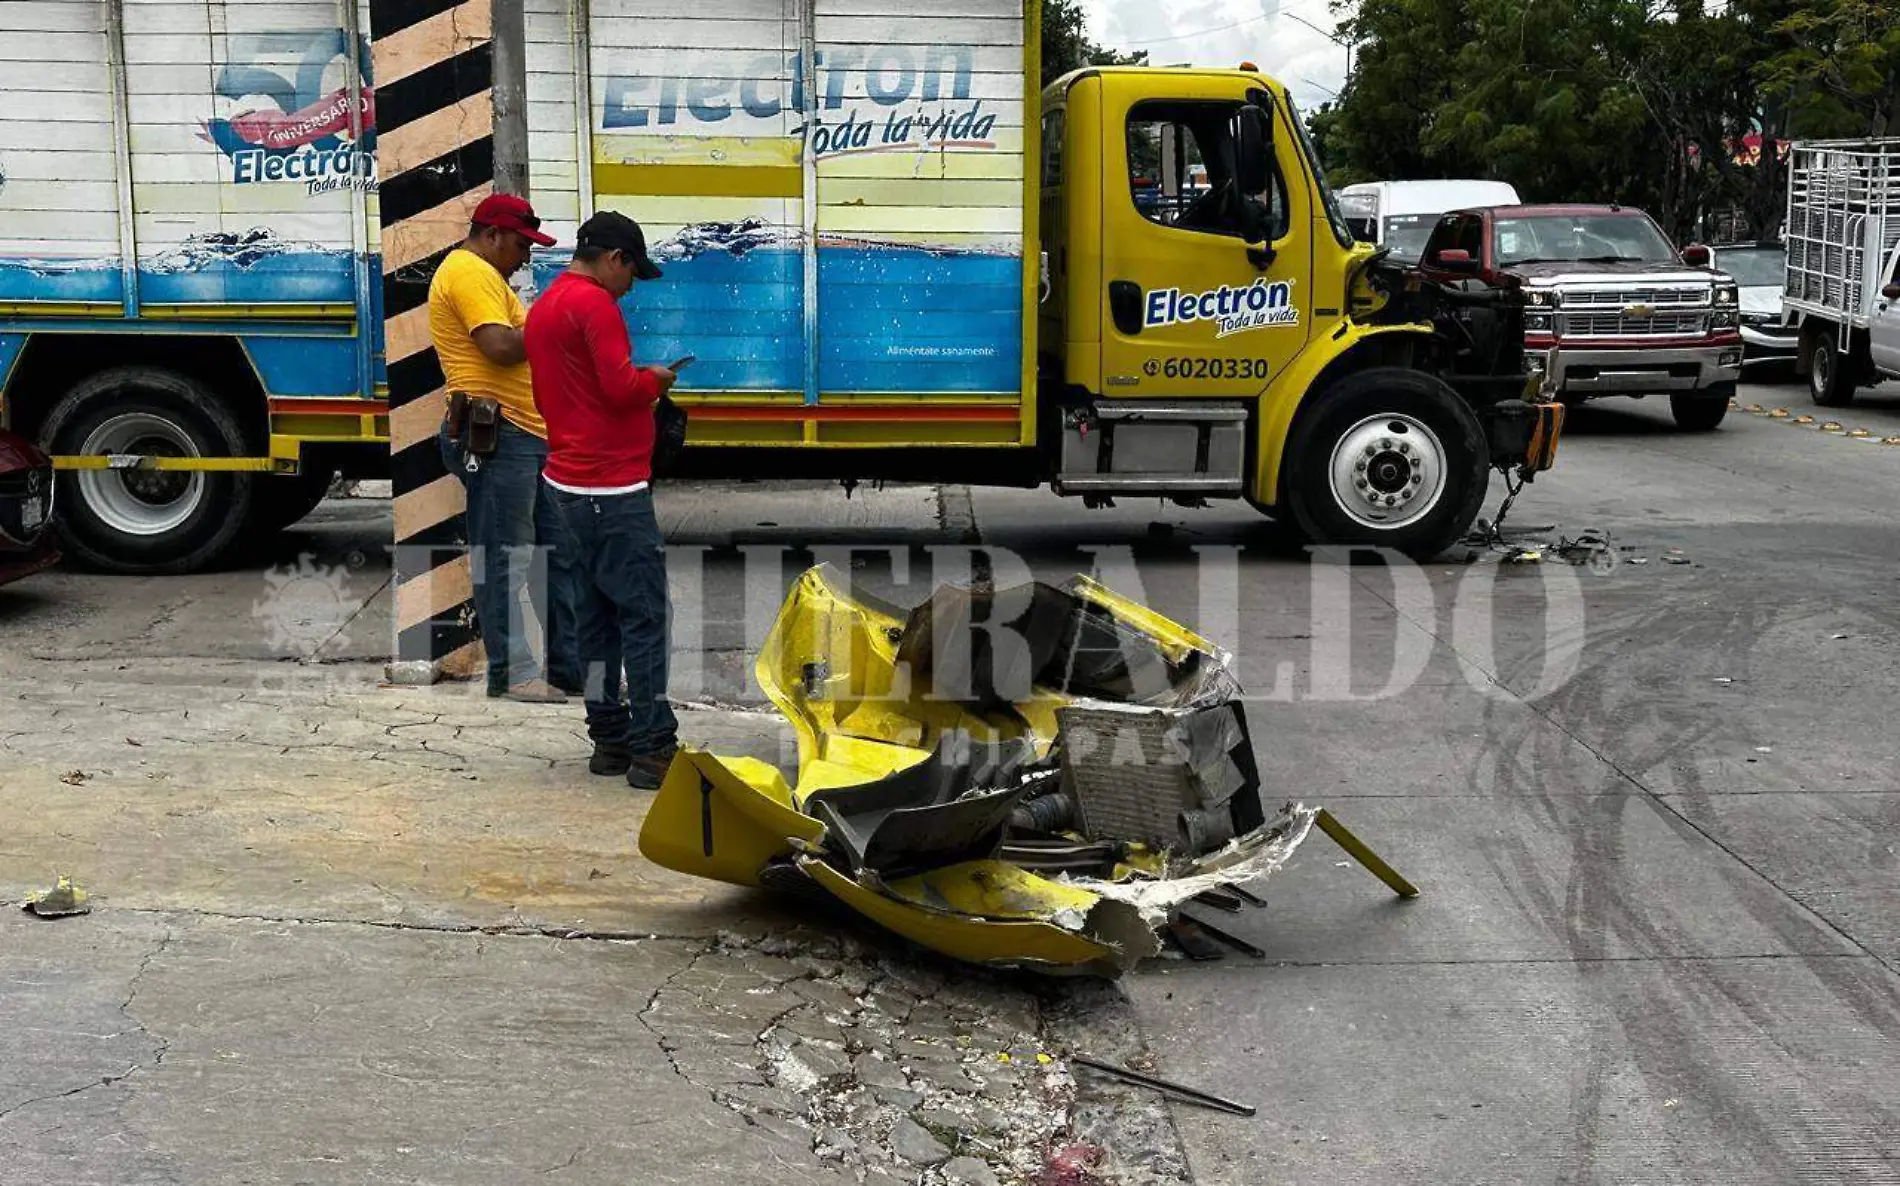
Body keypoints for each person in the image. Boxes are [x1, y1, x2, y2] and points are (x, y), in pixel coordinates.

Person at [524, 211, 680, 788]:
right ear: (614, 258)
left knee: (592, 622)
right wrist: (655, 382)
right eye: (632, 272)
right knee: (641, 617)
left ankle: (608, 739)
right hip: (612, 488)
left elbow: (563, 391)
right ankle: (653, 747)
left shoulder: (543, 308)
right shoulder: (596, 306)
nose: (632, 284)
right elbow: (619, 389)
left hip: (563, 483)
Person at [430, 193, 578, 703]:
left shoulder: (490, 278)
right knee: (506, 560)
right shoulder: (469, 273)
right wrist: (547, 324)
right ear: (491, 234)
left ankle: (569, 667)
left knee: (561, 555)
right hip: (499, 434)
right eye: (520, 244)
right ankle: (513, 673)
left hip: (527, 434)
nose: (526, 256)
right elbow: (499, 346)